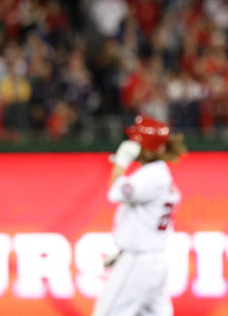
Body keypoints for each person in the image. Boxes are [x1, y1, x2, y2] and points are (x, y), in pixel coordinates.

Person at [91, 115, 186, 316]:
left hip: (139, 260)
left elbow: (115, 191)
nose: (131, 143)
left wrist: (121, 161)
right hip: (153, 260)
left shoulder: (152, 174)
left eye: (136, 140)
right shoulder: (160, 174)